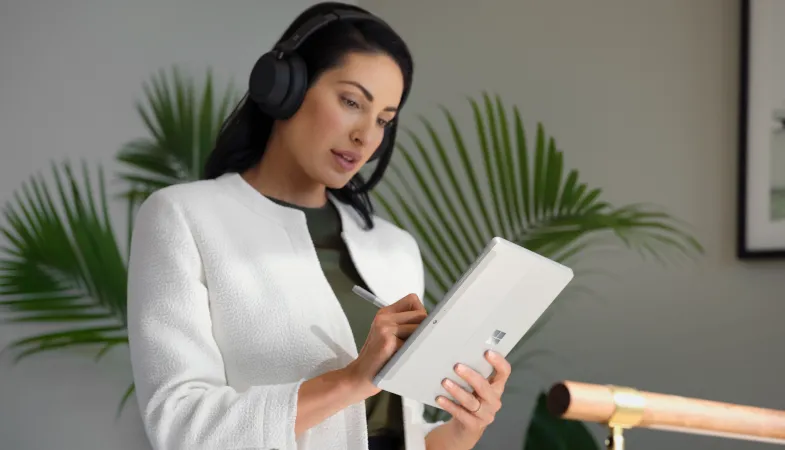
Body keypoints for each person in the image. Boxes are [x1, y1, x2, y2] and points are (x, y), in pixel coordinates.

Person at [126, 2, 511, 450]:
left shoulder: (394, 249)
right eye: (351, 102)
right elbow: (179, 427)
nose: (365, 136)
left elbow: (399, 434)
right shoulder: (184, 218)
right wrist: (351, 380)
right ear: (285, 88)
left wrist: (463, 430)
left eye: (383, 120)